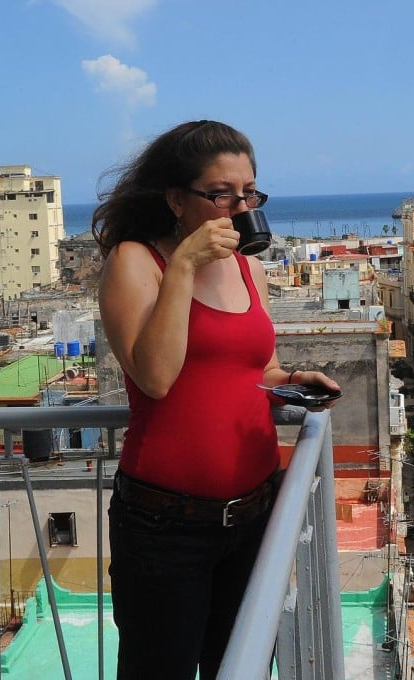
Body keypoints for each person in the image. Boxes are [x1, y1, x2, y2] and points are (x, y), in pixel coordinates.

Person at [95, 120, 340, 680]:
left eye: (249, 192)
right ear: (177, 200)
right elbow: (155, 376)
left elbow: (253, 367)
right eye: (220, 194)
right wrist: (184, 264)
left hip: (254, 514)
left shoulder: (251, 268)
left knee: (242, 666)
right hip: (165, 526)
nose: (239, 205)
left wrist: (293, 379)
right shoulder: (138, 262)